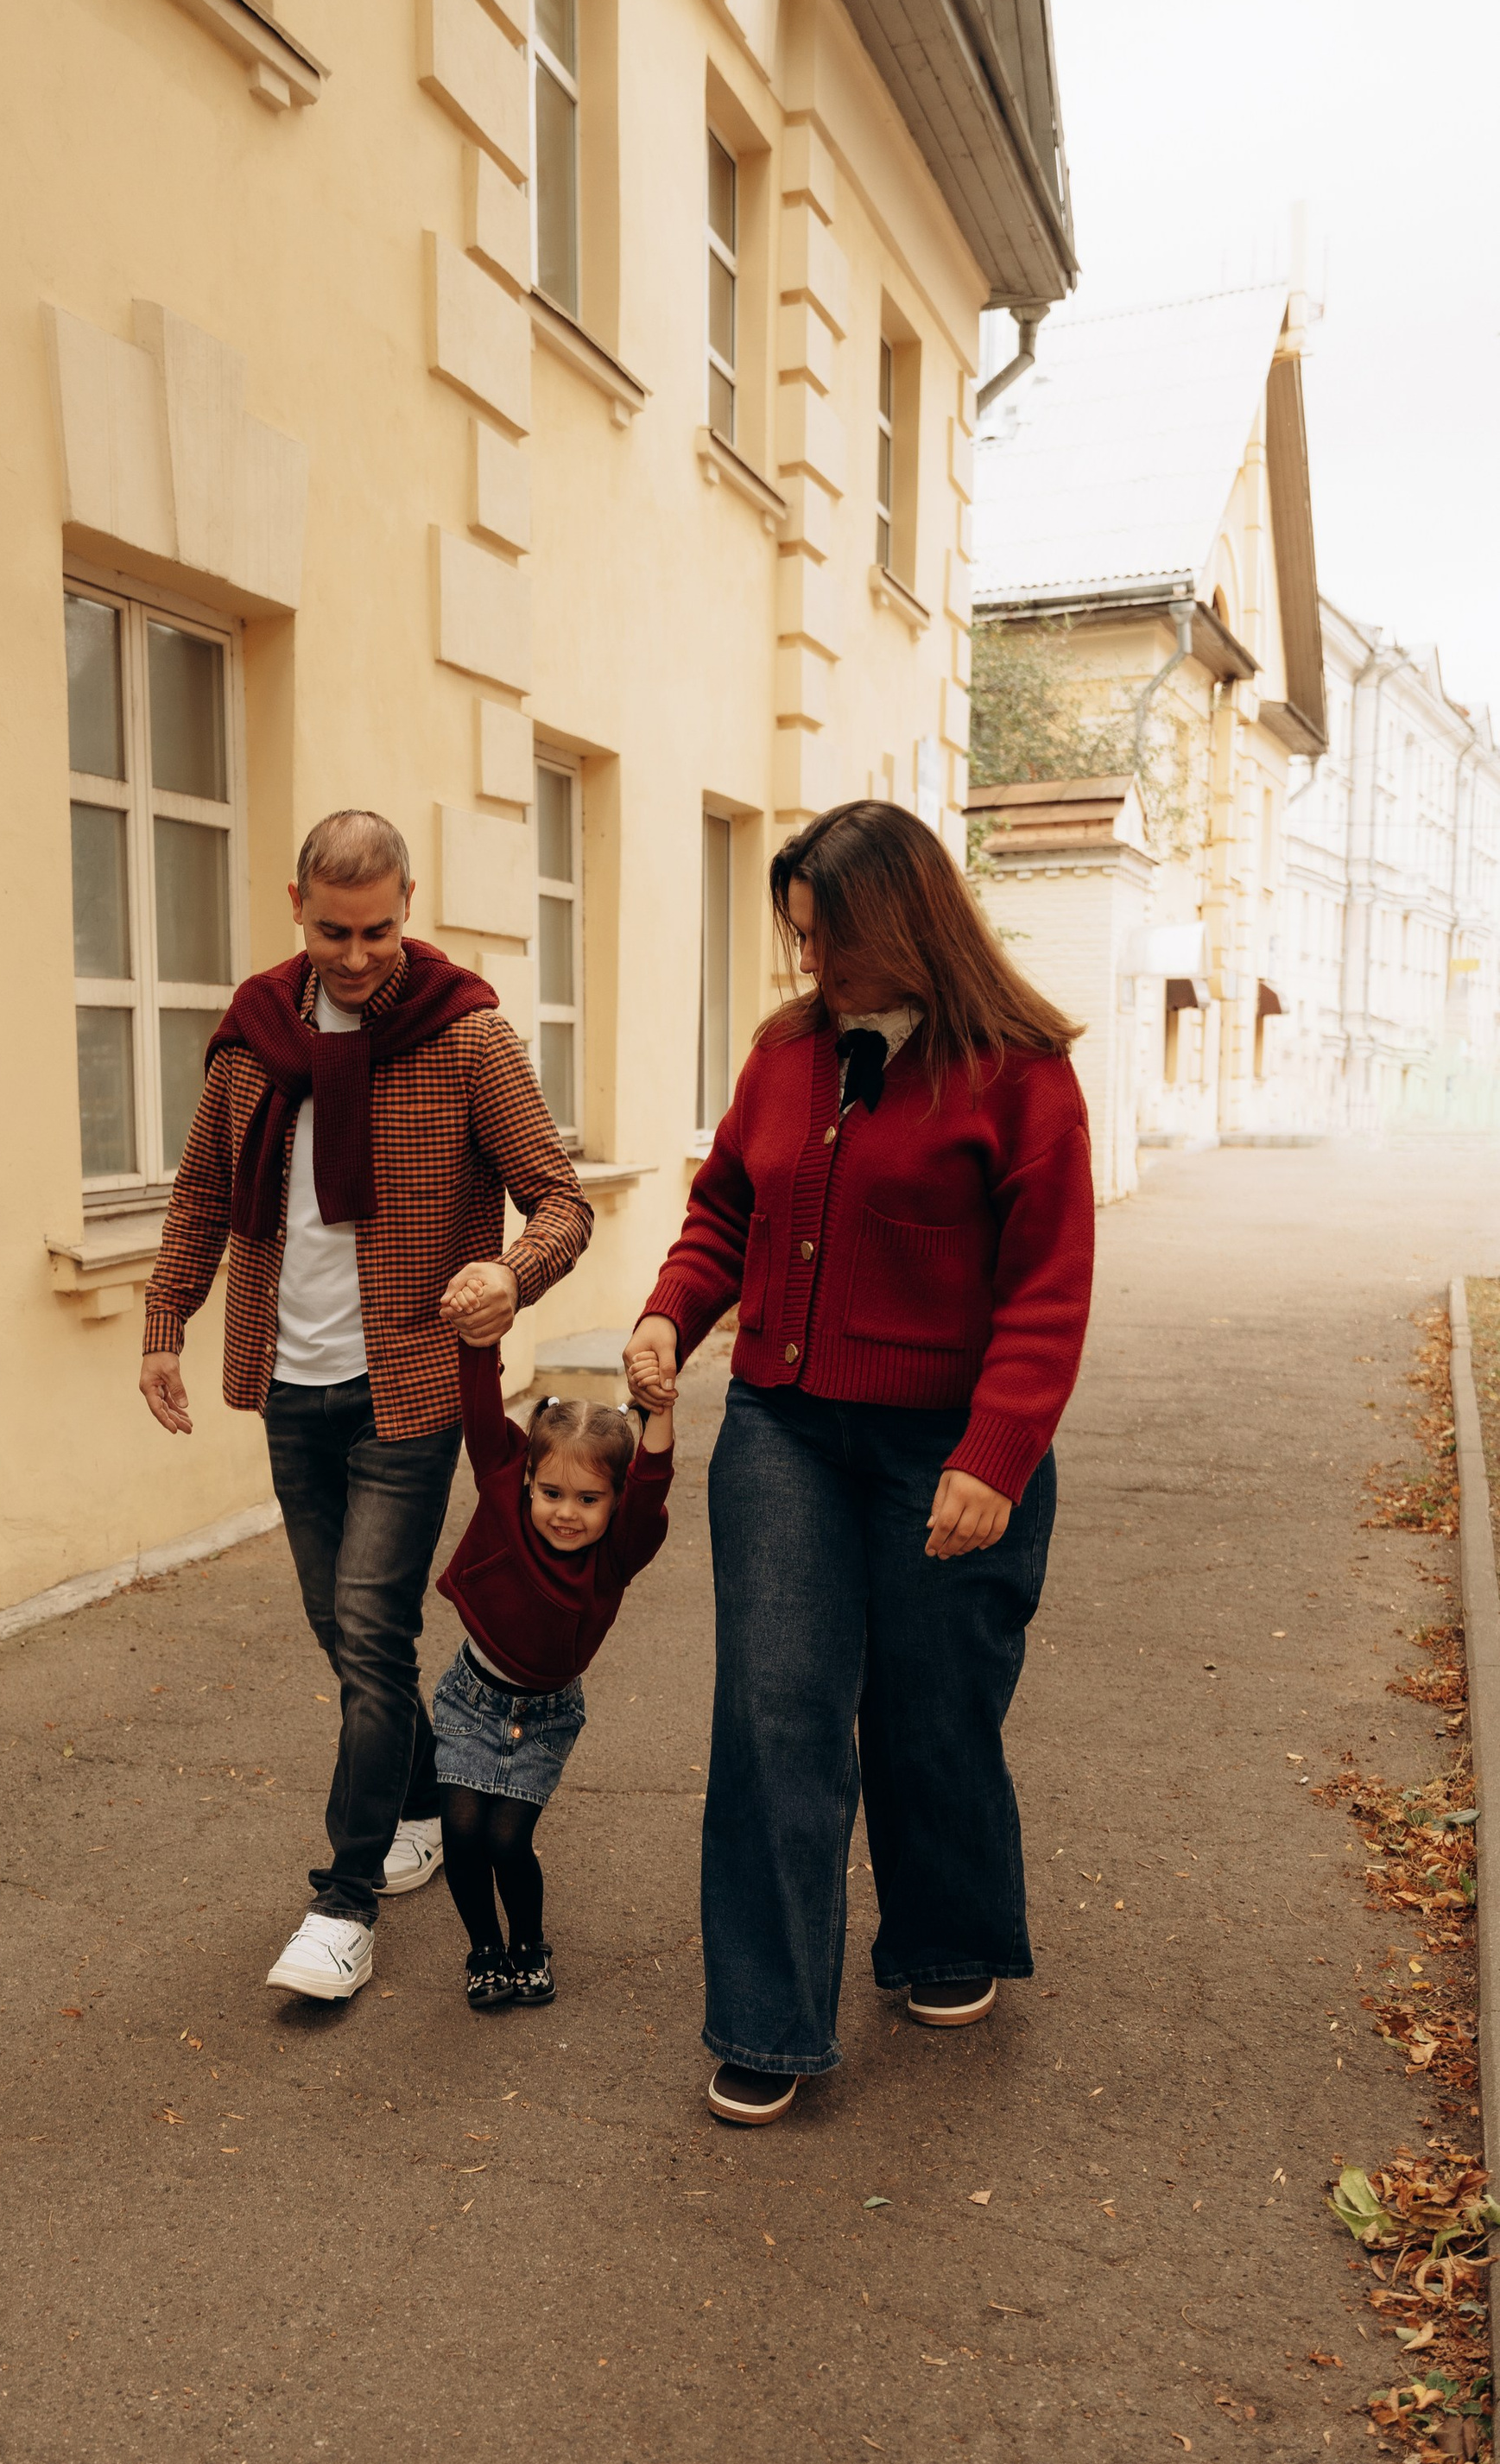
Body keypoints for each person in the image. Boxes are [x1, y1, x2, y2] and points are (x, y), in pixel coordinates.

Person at [623, 797, 1094, 2128]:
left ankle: (945, 1936)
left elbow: (1048, 1290)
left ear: (910, 924)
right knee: (776, 1714)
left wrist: (996, 1453)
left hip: (948, 1444)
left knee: (934, 1710)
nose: (811, 967)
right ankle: (768, 2016)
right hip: (784, 1427)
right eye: (800, 938)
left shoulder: (1018, 1073)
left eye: (832, 939)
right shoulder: (788, 1054)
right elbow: (725, 1205)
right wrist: (670, 1312)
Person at [140, 809, 592, 2003]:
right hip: (291, 1384)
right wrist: (162, 1325)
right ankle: (419, 1799)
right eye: (335, 931)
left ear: (408, 904)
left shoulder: (466, 1034)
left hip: (411, 1383)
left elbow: (559, 1200)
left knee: (373, 1637)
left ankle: (343, 1904)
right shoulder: (251, 1037)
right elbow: (198, 1199)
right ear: (296, 903)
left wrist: (512, 1271)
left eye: (380, 929)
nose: (357, 955)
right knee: (342, 1636)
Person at [427, 1326, 674, 2011]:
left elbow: (652, 1485)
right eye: (552, 1493)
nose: (566, 1513)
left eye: (589, 1500)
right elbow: (480, 1414)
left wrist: (661, 1412)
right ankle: (485, 1952)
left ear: (614, 1503)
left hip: (544, 1715)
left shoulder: (620, 1552)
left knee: (507, 1840)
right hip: (470, 1699)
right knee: (462, 1834)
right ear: (528, 1480)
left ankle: (529, 1945)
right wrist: (481, 1340)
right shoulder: (504, 1489)